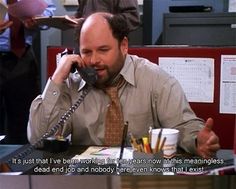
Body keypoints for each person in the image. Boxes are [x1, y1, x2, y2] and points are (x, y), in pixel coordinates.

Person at [27, 12, 220, 158]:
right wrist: (57, 77)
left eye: (103, 50)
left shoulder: (156, 80)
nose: (94, 60)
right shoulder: (71, 83)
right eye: (86, 52)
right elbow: (38, 138)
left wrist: (197, 140)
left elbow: (183, 125)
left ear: (124, 46)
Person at [0, 0, 55, 144]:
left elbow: (49, 10)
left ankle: (22, 164)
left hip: (22, 58)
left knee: (25, 120)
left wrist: (38, 19)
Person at [75, 0, 140, 32]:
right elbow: (82, 12)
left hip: (108, 46)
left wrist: (105, 23)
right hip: (84, 45)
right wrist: (73, 20)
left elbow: (133, 18)